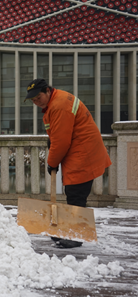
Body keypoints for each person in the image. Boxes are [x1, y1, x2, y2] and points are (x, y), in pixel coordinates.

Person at [25, 78, 111, 248]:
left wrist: (51, 163)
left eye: (38, 98)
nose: (36, 102)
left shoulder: (59, 106)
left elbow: (62, 142)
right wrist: (53, 139)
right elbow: (60, 134)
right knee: (74, 193)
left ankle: (76, 236)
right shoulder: (57, 101)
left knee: (76, 194)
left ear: (48, 91)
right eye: (33, 100)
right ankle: (72, 231)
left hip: (83, 153)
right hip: (81, 151)